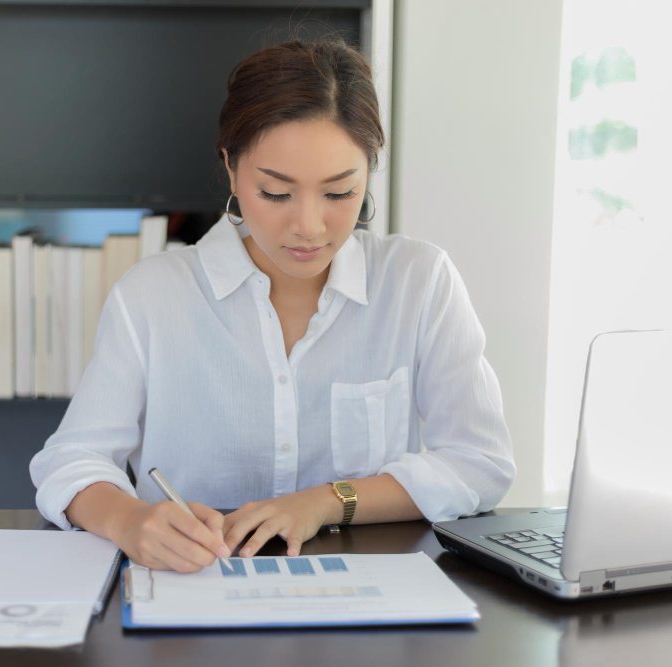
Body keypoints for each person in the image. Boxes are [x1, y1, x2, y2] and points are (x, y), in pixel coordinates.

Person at [30, 38, 515, 573]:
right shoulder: (151, 295)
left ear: (368, 172)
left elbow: (479, 463)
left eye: (338, 194)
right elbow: (70, 461)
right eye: (277, 193)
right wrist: (129, 521)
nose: (309, 226)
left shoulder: (418, 282)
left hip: (361, 602)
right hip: (192, 594)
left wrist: (327, 501)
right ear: (231, 169)